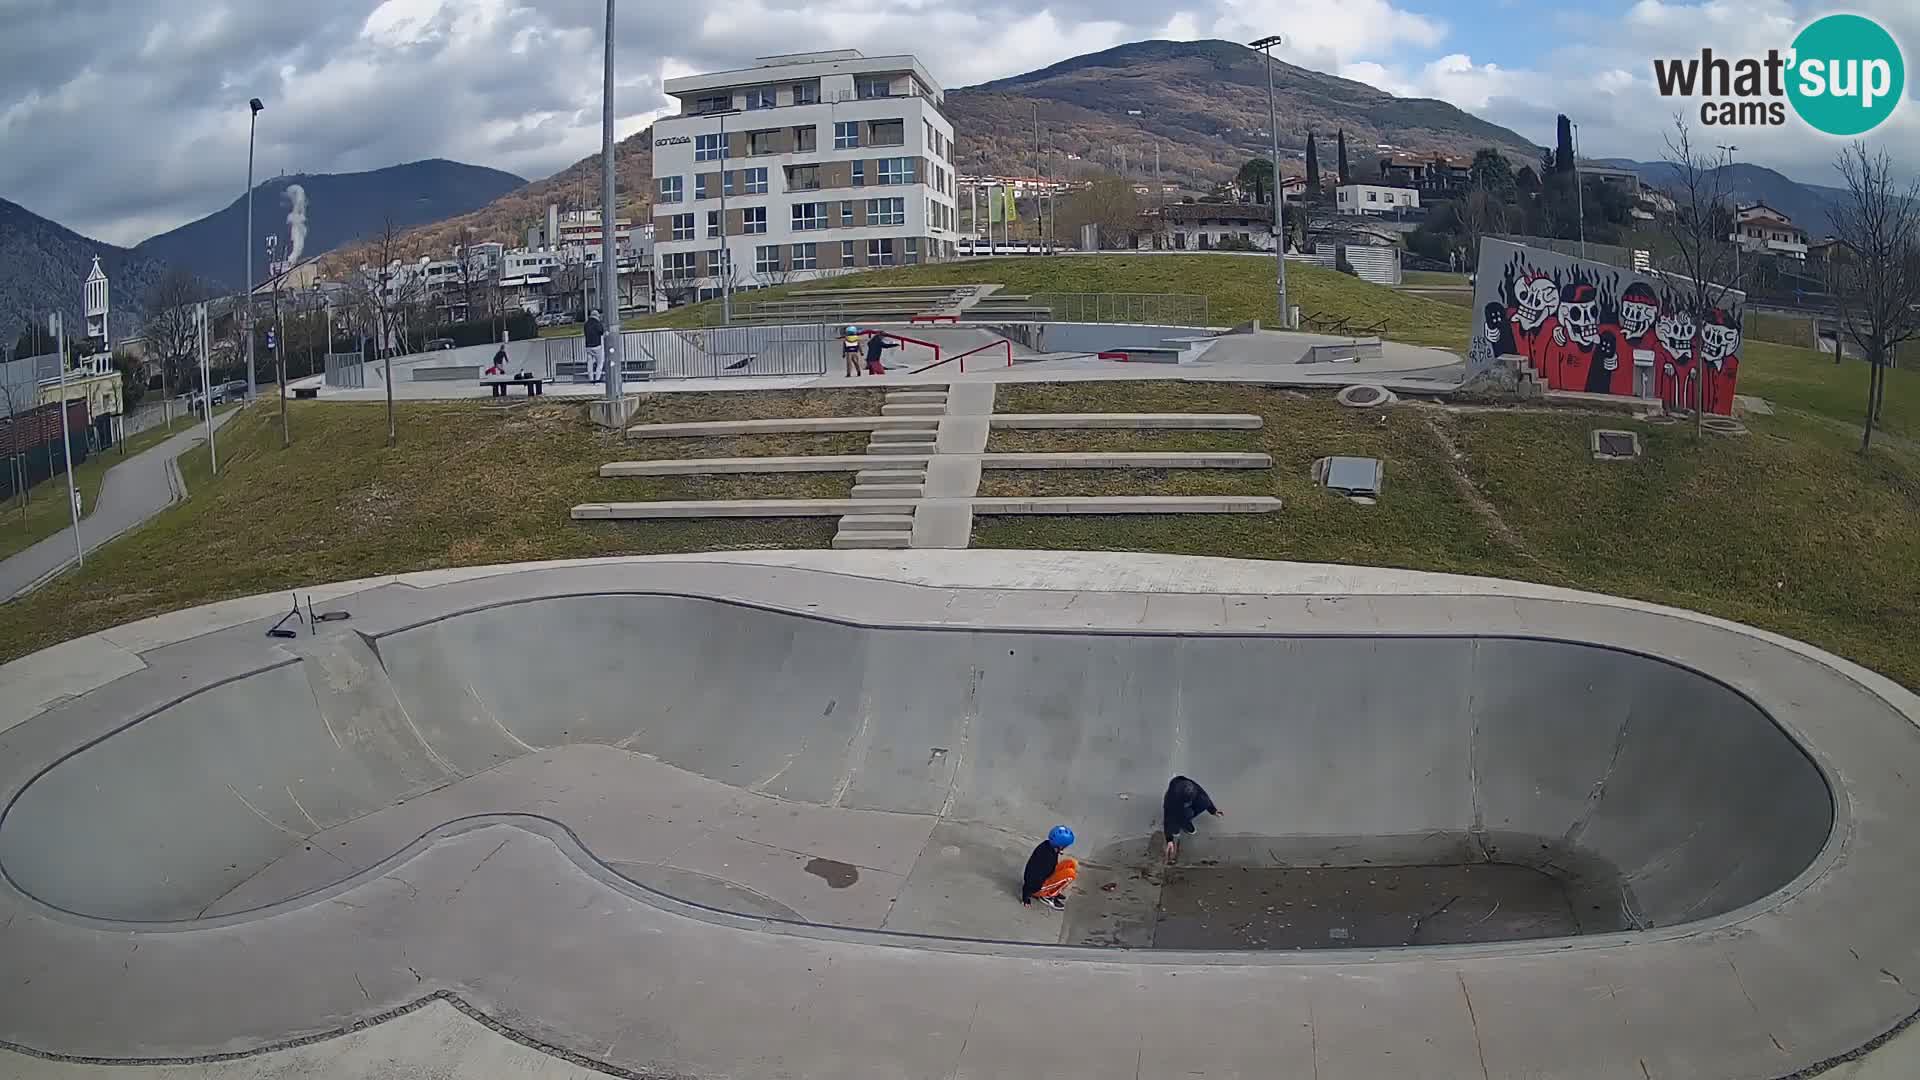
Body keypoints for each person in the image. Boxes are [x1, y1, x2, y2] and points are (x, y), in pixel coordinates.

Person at [1162, 775, 1222, 863]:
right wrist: (1169, 840)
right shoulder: (1171, 799)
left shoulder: (1192, 786)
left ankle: (1185, 822)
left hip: (1187, 802)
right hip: (1176, 807)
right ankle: (1177, 827)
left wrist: (1213, 811)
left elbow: (1204, 795)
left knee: (1203, 802)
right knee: (1176, 819)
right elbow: (1167, 818)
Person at [1021, 825, 1077, 910]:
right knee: (1070, 875)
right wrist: (1026, 897)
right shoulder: (1047, 857)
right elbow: (1030, 877)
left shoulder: (1048, 846)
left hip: (1046, 875)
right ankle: (1049, 896)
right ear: (1061, 845)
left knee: (1071, 863)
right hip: (1037, 887)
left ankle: (1053, 890)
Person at [583, 310, 605, 381]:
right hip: (596, 346)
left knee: (590, 364)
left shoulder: (586, 324)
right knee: (600, 363)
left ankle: (591, 379)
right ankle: (597, 379)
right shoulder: (597, 323)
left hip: (588, 347)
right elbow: (601, 331)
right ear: (596, 315)